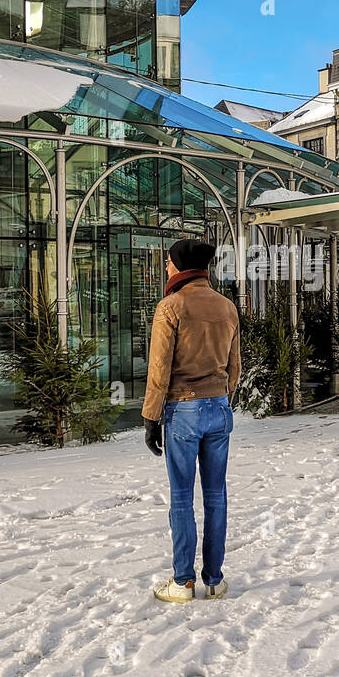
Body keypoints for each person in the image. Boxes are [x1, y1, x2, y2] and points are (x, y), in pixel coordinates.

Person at [142, 238, 241, 604]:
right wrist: (222, 399)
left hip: (182, 410)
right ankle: (214, 580)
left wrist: (151, 417)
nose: (166, 267)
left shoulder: (171, 307)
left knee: (182, 496)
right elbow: (235, 367)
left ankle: (183, 582)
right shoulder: (227, 307)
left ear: (180, 266)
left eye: (168, 262)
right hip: (218, 407)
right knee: (216, 495)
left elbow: (159, 370)